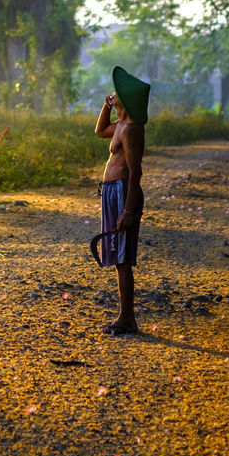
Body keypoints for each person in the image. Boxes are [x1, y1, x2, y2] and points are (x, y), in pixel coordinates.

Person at [94, 65, 150, 336]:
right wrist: (106, 106)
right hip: (112, 191)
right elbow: (100, 130)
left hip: (123, 192)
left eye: (116, 94)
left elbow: (135, 171)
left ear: (125, 100)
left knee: (123, 258)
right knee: (118, 257)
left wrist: (128, 210)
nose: (112, 95)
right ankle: (124, 316)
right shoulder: (119, 126)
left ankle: (128, 319)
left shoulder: (130, 130)